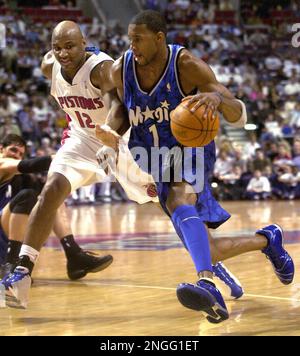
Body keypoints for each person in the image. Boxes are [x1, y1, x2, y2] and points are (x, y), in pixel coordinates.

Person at [95, 10, 294, 323]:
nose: (131, 45)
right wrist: (110, 130)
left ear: (159, 38)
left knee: (178, 197)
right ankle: (268, 239)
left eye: (138, 39)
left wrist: (216, 99)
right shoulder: (122, 68)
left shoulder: (185, 65)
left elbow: (237, 112)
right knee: (206, 246)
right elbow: (120, 105)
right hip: (154, 157)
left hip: (193, 150)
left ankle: (207, 283)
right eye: (129, 39)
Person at [0, 20, 157, 309]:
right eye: (57, 47)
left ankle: (208, 255)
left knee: (161, 199)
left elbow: (117, 106)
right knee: (52, 189)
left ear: (84, 43)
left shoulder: (100, 69)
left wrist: (109, 137)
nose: (63, 53)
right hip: (82, 139)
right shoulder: (50, 66)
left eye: (70, 46)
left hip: (121, 137)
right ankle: (21, 273)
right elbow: (61, 83)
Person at [0, 134, 113, 285]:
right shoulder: (3, 162)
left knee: (52, 198)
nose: (16, 156)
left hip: (8, 233)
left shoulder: (18, 176)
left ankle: (74, 254)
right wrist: (70, 157)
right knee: (26, 196)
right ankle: (11, 264)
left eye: (20, 153)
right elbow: (30, 165)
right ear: (1, 149)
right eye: (13, 150)